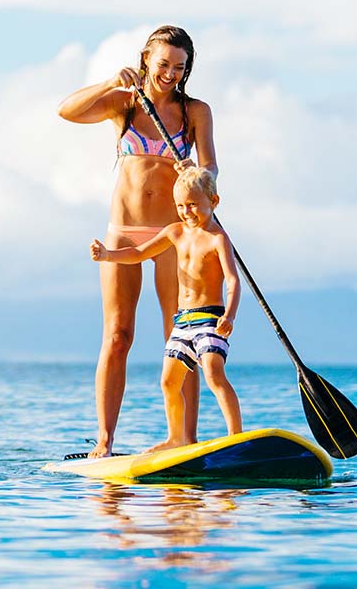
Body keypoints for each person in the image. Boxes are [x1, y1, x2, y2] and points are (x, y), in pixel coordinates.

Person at [58, 25, 218, 458]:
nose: (170, 73)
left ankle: (184, 438)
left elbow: (211, 167)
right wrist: (110, 82)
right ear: (146, 59)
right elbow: (66, 111)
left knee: (180, 336)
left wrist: (197, 175)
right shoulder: (124, 104)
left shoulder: (195, 111)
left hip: (174, 235)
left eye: (179, 67)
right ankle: (105, 441)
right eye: (163, 63)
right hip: (123, 231)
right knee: (118, 335)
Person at [90, 166, 241, 453]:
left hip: (210, 319)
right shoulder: (175, 232)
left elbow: (233, 280)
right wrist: (109, 255)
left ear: (214, 201)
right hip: (182, 323)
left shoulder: (218, 239)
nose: (186, 212)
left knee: (213, 373)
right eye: (181, 206)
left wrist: (229, 315)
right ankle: (176, 437)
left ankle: (236, 437)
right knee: (169, 382)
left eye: (193, 204)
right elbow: (138, 253)